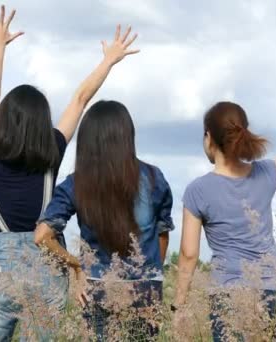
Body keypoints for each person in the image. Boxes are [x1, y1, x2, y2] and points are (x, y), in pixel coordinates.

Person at [0, 6, 140, 341]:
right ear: (41, 123)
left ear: (1, 121)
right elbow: (79, 99)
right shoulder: (51, 155)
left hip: (4, 272)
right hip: (49, 269)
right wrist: (108, 60)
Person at [172, 101, 276, 341]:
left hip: (229, 291)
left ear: (208, 137)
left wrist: (179, 305)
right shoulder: (264, 173)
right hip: (274, 288)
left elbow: (189, 254)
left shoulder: (197, 190)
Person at [34, 100, 175, 341]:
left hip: (98, 286)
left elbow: (42, 236)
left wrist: (77, 265)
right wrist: (152, 273)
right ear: (127, 135)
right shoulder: (153, 177)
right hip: (146, 289)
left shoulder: (76, 183)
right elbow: (162, 233)